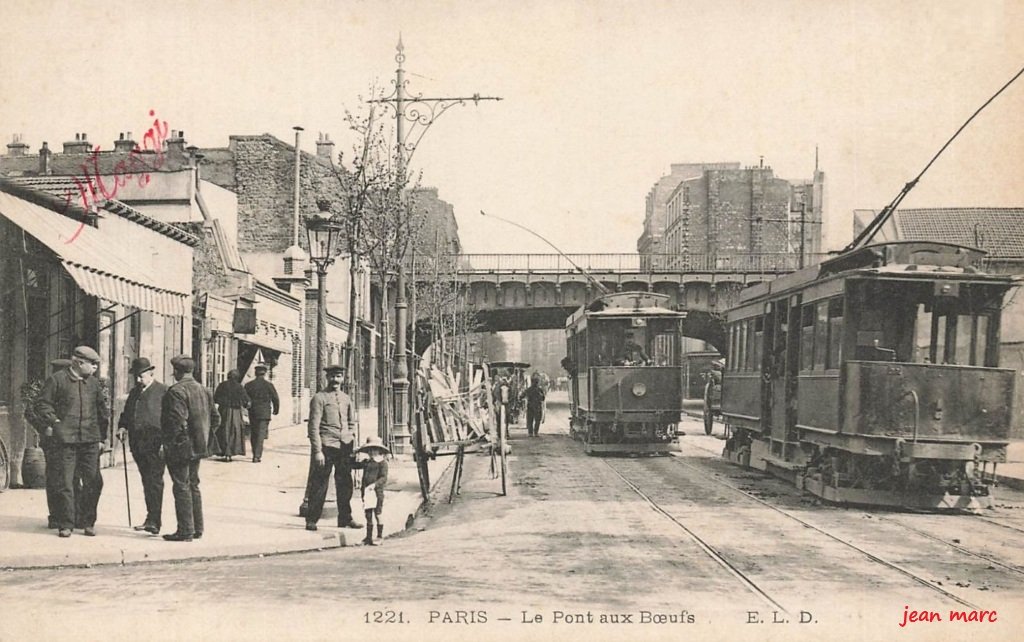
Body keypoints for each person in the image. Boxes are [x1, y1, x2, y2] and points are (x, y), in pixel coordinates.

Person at [33, 346, 109, 538]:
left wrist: (102, 438)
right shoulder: (57, 380)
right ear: (79, 363)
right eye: (92, 364)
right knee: (65, 482)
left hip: (90, 440)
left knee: (94, 481)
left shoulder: (93, 384)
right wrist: (55, 421)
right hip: (65, 441)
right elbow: (42, 404)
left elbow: (102, 411)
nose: (95, 369)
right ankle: (66, 523)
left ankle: (88, 522)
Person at [161, 355, 218, 542]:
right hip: (199, 446)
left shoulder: (176, 391)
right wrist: (204, 436)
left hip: (180, 447)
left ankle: (185, 530)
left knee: (181, 486)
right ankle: (197, 528)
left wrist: (168, 444)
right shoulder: (205, 390)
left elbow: (176, 422)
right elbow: (216, 419)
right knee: (193, 485)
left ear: (177, 371)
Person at [305, 364, 362, 532]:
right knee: (320, 483)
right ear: (327, 378)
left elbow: (352, 422)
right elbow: (313, 427)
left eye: (338, 376)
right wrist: (317, 451)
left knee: (345, 483)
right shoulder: (319, 398)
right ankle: (312, 519)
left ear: (342, 378)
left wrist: (351, 440)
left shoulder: (346, 398)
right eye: (332, 377)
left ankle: (345, 518)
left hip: (344, 446)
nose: (335, 380)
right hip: (326, 446)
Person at [117, 357, 168, 535]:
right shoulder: (134, 392)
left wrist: (166, 442)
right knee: (146, 481)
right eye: (136, 377)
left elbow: (170, 420)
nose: (138, 380)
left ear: (150, 373)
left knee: (154, 482)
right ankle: (150, 518)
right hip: (137, 444)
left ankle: (155, 521)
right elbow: (126, 413)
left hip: (156, 444)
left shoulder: (163, 391)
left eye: (141, 376)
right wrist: (122, 426)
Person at [352, 435, 390, 546]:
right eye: (370, 450)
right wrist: (353, 455)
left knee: (378, 513)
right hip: (367, 493)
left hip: (377, 493)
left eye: (375, 449)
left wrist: (375, 485)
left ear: (379, 450)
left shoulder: (382, 463)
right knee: (368, 514)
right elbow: (354, 466)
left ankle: (379, 536)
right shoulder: (367, 462)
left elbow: (383, 478)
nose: (372, 452)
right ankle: (368, 537)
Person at [211, 369, 250, 462]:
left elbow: (215, 398)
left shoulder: (222, 385)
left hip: (223, 411)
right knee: (234, 431)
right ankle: (231, 452)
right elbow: (246, 401)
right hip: (236, 412)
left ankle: (224, 452)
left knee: (223, 430)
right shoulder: (239, 387)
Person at [243, 364, 279, 463]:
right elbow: (275, 398)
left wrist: (246, 406)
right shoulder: (269, 385)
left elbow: (244, 398)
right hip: (264, 413)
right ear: (265, 373)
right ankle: (257, 456)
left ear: (255, 373)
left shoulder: (249, 385)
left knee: (254, 433)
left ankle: (255, 452)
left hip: (253, 412)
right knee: (261, 434)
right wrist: (276, 409)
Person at [523, 373, 547, 437]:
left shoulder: (529, 389)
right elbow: (543, 398)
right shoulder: (540, 390)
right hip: (537, 407)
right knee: (537, 420)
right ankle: (535, 432)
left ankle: (530, 433)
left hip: (530, 406)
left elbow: (522, 396)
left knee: (530, 420)